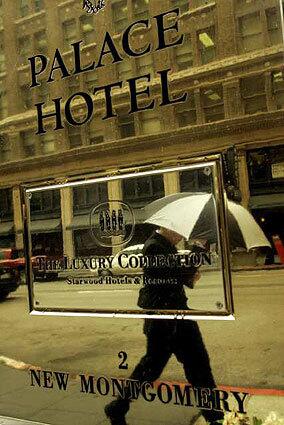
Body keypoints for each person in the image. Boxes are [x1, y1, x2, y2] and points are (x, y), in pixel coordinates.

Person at [105, 227, 224, 425]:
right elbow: (170, 276)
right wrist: (198, 248)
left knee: (198, 367)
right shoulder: (154, 247)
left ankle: (215, 417)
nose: (181, 236)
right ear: (167, 228)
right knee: (152, 369)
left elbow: (173, 275)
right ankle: (118, 406)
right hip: (164, 320)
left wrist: (188, 276)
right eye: (178, 232)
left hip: (177, 316)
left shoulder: (165, 246)